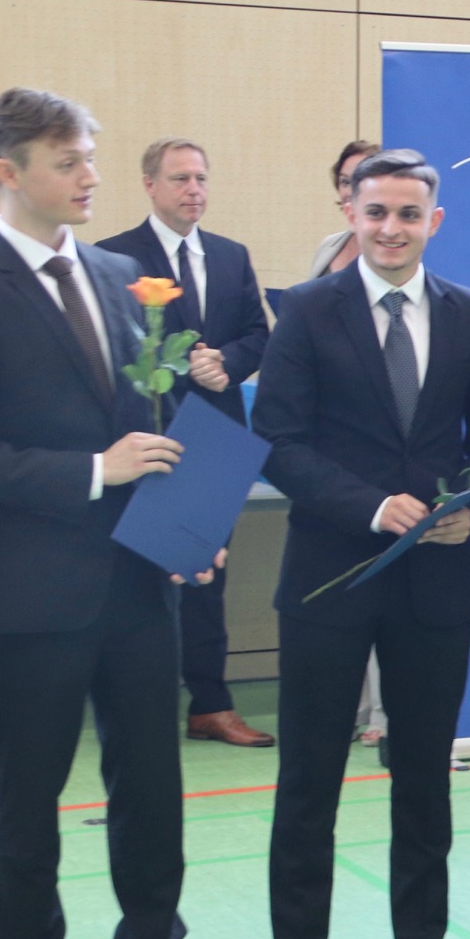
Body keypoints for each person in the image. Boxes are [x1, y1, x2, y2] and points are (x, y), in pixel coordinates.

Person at [0, 88, 246, 939]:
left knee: (152, 782)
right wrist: (95, 471)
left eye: (92, 157)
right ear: (8, 171)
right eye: (68, 162)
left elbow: (159, 417)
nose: (91, 176)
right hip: (31, 592)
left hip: (141, 581)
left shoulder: (120, 277)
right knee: (30, 794)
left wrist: (194, 526)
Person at [253, 148, 470, 939]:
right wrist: (370, 507)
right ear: (351, 214)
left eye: (409, 214)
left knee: (425, 777)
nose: (392, 229)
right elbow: (278, 442)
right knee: (310, 779)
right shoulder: (306, 310)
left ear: (434, 222)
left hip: (435, 581)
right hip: (329, 577)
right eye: (376, 212)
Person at [98, 137, 273, 748]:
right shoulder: (114, 257)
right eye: (179, 179)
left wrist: (227, 362)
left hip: (214, 436)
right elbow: (108, 347)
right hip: (143, 437)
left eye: (200, 178)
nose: (193, 189)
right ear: (150, 185)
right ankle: (134, 703)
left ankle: (211, 704)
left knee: (205, 577)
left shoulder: (230, 255)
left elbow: (258, 334)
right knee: (138, 575)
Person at [308, 140, 390, 752]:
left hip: (391, 460)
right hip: (327, 456)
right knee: (340, 593)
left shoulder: (439, 292)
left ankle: (384, 710)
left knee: (389, 586)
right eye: (347, 180)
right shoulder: (326, 254)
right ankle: (359, 704)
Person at [307, 139, 379, 280]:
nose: (349, 192)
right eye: (345, 182)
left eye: (360, 182)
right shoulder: (328, 245)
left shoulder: (390, 249)